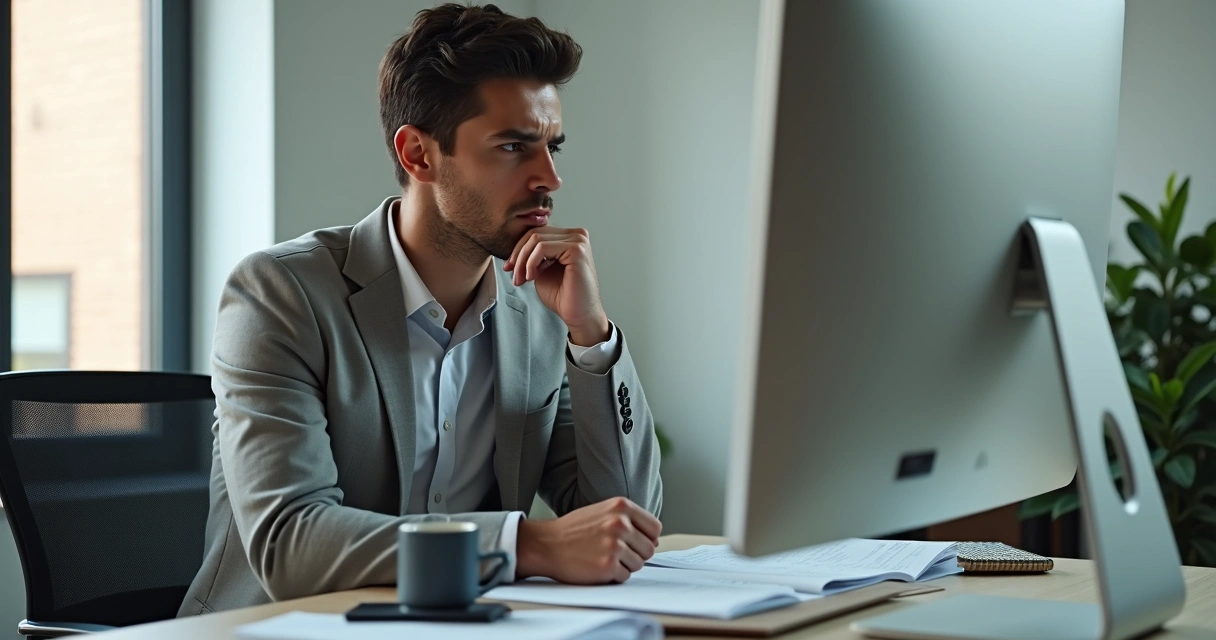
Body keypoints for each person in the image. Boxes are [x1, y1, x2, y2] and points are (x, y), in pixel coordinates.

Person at [179, 3, 663, 615]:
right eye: (514, 146)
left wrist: (591, 338)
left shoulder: (542, 307)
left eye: (551, 147)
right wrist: (523, 543)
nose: (549, 178)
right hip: (276, 628)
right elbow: (290, 544)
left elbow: (627, 522)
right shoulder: (280, 295)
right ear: (419, 155)